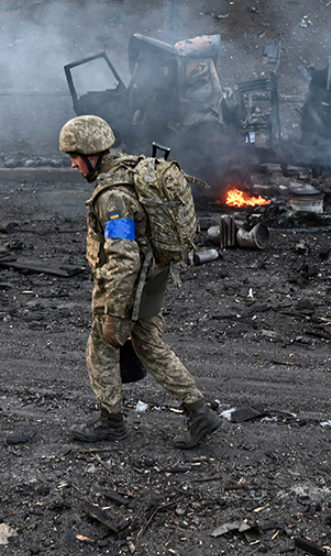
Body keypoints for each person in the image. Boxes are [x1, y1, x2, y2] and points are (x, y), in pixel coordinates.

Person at [59, 114, 221, 449]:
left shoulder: (112, 198)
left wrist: (113, 312)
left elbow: (123, 257)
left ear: (92, 154)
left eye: (75, 157)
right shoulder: (129, 168)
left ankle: (111, 422)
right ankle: (198, 411)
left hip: (129, 284)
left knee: (102, 347)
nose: (73, 165)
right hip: (152, 277)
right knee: (150, 346)